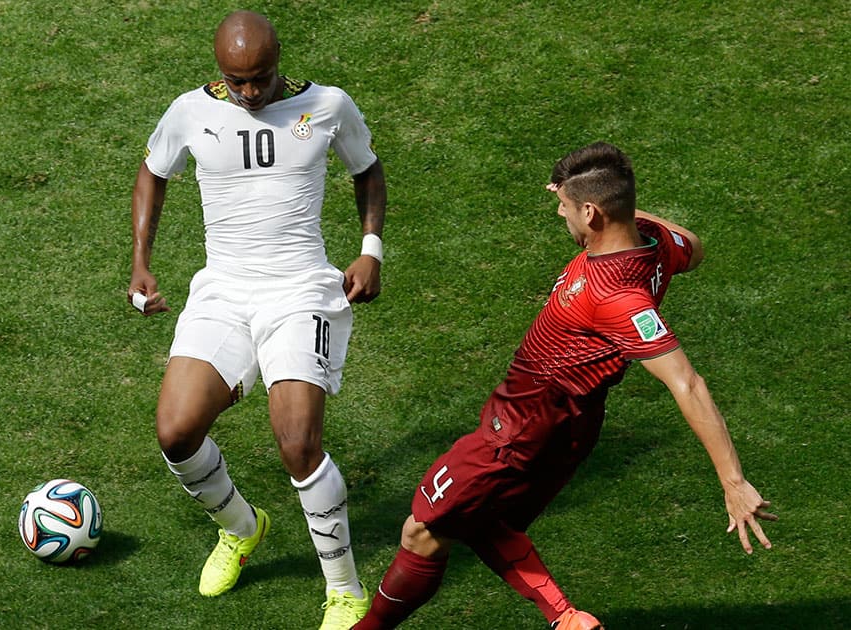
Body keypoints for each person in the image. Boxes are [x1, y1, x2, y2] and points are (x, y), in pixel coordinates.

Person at [353, 142, 776, 630]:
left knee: (422, 528)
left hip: (518, 431)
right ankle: (564, 617)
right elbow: (694, 246)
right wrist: (604, 199)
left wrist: (734, 482)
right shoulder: (656, 241)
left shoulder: (615, 296)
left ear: (592, 212)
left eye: (566, 207)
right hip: (572, 422)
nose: (560, 212)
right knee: (479, 519)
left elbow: (688, 384)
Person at [127, 10, 385, 630]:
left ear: (277, 62)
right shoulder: (191, 110)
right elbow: (152, 171)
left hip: (299, 292)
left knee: (298, 443)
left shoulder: (327, 105)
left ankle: (346, 590)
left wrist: (370, 249)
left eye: (260, 78)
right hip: (222, 294)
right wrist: (141, 261)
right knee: (175, 432)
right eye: (236, 80)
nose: (249, 92)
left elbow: (367, 168)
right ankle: (242, 529)